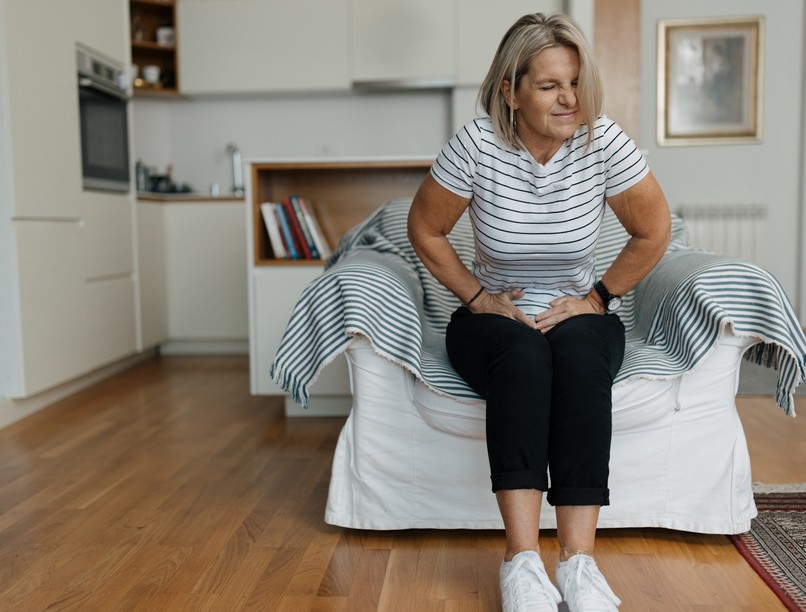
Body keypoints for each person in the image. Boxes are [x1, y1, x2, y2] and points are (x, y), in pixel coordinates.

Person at [407, 12, 671, 612]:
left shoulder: (603, 142)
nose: (569, 98)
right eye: (550, 85)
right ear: (510, 90)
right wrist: (479, 298)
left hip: (576, 312)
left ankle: (579, 566)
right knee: (524, 357)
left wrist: (597, 299)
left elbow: (654, 230)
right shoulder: (477, 144)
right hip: (494, 320)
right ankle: (521, 563)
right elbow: (425, 228)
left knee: (579, 356)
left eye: (574, 82)